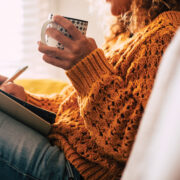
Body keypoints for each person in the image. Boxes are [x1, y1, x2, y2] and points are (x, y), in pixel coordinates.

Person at [0, 0, 180, 179]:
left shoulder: (168, 34)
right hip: (64, 146)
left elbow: (138, 145)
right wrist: (26, 101)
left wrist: (87, 67)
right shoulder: (128, 32)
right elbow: (75, 106)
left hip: (78, 170)